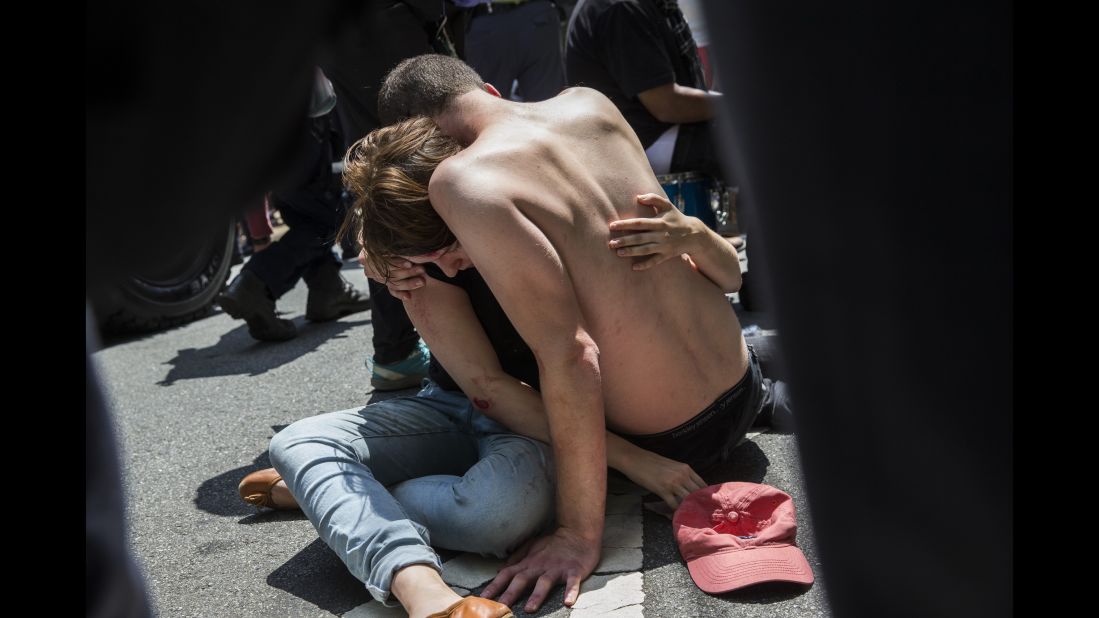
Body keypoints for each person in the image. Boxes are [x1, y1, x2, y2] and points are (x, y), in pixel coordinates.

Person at [338, 53, 764, 611]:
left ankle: (367, 492)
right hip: (742, 385)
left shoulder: (460, 179)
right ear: (489, 88)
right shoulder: (589, 102)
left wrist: (578, 537)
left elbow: (570, 356)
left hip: (674, 438)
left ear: (419, 141)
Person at [216, 69, 371, 341]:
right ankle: (255, 283)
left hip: (254, 117)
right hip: (293, 110)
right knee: (325, 216)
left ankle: (327, 289)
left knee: (303, 210)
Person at [565, 0, 723, 179]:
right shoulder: (622, 9)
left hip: (656, 132)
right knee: (746, 138)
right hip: (635, 146)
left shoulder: (649, 6)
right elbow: (666, 105)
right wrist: (739, 108)